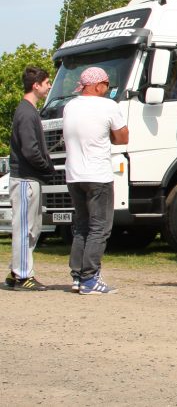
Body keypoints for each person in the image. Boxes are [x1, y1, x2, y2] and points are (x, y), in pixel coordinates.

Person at [63, 66, 129, 295]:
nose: (108, 89)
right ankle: (90, 278)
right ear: (97, 85)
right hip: (98, 175)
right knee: (100, 227)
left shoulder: (69, 106)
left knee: (81, 226)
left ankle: (77, 276)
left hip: (73, 175)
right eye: (106, 85)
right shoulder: (108, 106)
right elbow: (122, 137)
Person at [5, 66, 55, 291]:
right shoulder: (26, 112)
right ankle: (23, 274)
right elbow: (30, 150)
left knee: (31, 228)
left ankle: (17, 271)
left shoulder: (29, 110)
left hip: (28, 179)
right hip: (25, 180)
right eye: (46, 83)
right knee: (25, 229)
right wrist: (47, 168)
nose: (49, 86)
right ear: (36, 85)